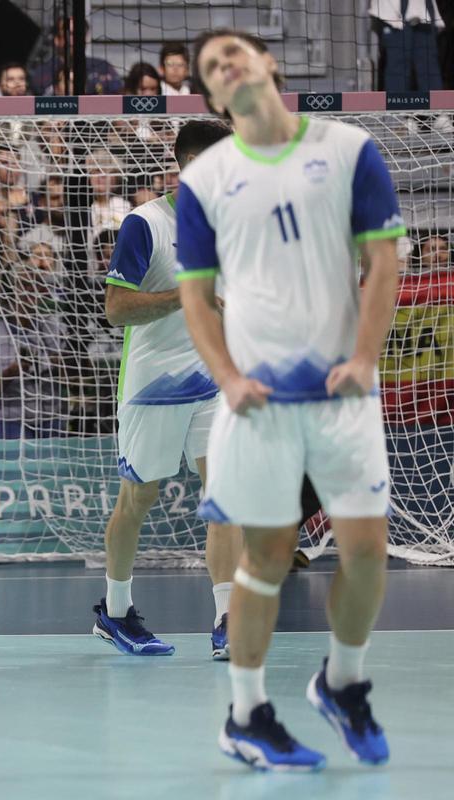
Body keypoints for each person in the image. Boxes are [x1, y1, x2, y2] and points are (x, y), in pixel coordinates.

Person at [178, 28, 403, 770]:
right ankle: (245, 715)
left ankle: (342, 681)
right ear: (212, 94)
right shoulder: (204, 181)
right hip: (259, 405)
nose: (227, 65)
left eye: (235, 52)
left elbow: (383, 257)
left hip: (342, 393)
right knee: (268, 554)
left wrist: (367, 356)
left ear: (269, 63)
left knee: (366, 551)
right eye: (213, 67)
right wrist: (229, 378)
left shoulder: (348, 150)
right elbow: (197, 300)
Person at [92, 120, 241, 661]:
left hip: (215, 378)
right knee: (140, 497)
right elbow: (115, 309)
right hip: (154, 382)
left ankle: (228, 616)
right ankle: (114, 610)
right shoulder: (145, 223)